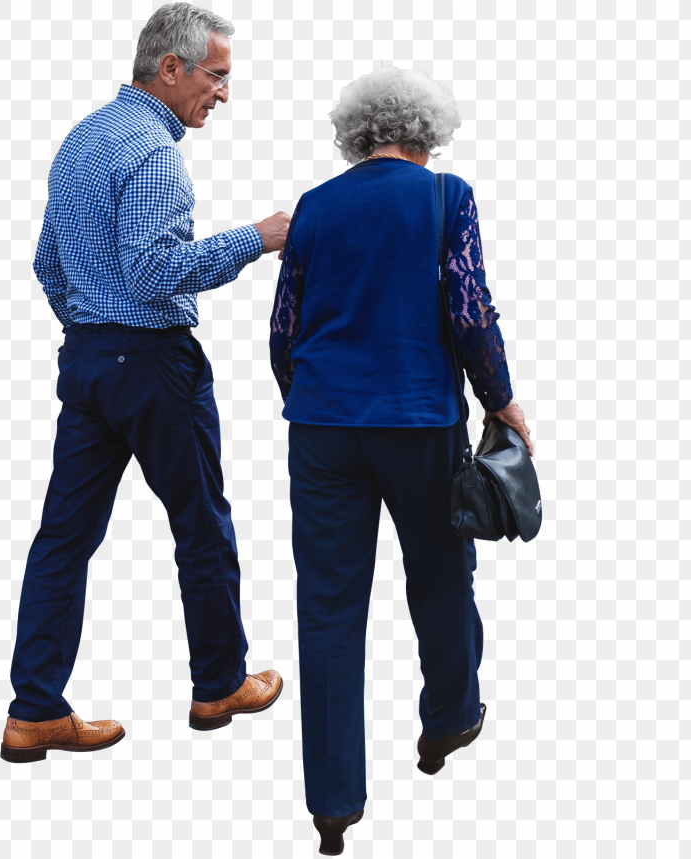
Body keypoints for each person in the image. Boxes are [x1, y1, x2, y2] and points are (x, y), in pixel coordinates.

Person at [1, 2, 287, 764]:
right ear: (171, 68)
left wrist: (90, 328)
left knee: (62, 539)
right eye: (216, 77)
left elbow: (46, 266)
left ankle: (33, 711)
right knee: (201, 526)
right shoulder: (156, 155)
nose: (223, 94)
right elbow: (157, 270)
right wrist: (255, 240)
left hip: (88, 363)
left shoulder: (80, 141)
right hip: (154, 366)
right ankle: (219, 683)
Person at [269, 65, 534, 853]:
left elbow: (285, 328)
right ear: (427, 132)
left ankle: (333, 806)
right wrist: (502, 398)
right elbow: (467, 306)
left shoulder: (315, 206)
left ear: (357, 134)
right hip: (418, 420)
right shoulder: (447, 198)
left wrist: (314, 391)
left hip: (322, 426)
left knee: (326, 608)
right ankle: (448, 721)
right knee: (442, 575)